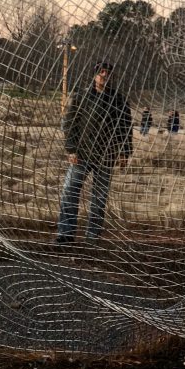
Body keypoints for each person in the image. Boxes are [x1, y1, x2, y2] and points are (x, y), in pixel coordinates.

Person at [56, 61, 132, 243]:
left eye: (108, 74)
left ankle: (92, 236)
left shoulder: (118, 100)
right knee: (70, 191)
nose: (104, 76)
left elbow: (125, 127)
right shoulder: (82, 96)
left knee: (99, 196)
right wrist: (71, 149)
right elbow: (70, 123)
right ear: (94, 75)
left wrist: (124, 151)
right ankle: (66, 233)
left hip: (106, 155)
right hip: (81, 154)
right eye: (101, 73)